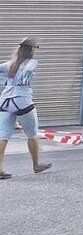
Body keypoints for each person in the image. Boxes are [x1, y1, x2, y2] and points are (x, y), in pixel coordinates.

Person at [0, 37, 50, 180]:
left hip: (4, 100)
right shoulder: (32, 62)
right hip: (22, 100)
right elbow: (29, 68)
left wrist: (6, 81)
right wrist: (22, 77)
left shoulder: (11, 64)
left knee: (3, 135)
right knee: (32, 133)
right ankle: (36, 165)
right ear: (32, 49)